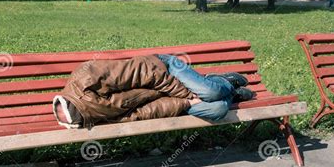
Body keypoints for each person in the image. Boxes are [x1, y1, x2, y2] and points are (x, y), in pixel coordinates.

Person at [53, 54, 253, 128]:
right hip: (168, 97)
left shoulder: (86, 77)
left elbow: (145, 71)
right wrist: (184, 103)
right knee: (217, 110)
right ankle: (233, 94)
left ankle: (222, 82)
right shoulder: (94, 117)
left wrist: (185, 94)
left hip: (164, 69)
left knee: (211, 93)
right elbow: (143, 113)